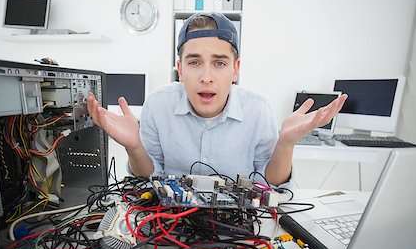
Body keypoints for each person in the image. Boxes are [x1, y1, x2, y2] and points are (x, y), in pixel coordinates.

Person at [87, 12, 347, 187]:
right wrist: (133, 147)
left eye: (219, 63)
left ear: (235, 70)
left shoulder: (258, 110)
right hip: (168, 227)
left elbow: (270, 184)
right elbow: (148, 177)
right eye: (194, 62)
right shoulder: (158, 105)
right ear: (180, 68)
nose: (206, 77)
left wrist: (286, 144)